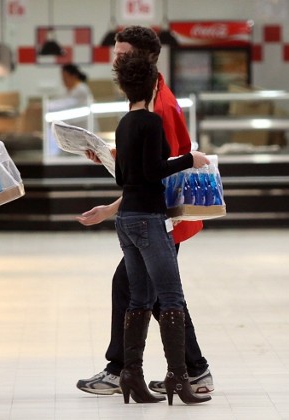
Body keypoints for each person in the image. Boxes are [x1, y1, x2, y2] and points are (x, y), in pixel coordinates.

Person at [76, 26, 213, 396]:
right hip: (148, 214)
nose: (115, 62)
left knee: (146, 293)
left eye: (122, 55)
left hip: (163, 218)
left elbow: (164, 171)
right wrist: (112, 160)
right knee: (151, 295)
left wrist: (119, 205)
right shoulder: (144, 105)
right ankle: (171, 370)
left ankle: (133, 370)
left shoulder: (162, 107)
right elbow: (144, 167)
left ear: (145, 59)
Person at [111, 49, 211, 405]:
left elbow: (123, 176)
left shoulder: (123, 124)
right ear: (154, 84)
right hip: (151, 220)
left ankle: (131, 375)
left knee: (138, 297)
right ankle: (178, 379)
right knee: (171, 297)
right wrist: (189, 159)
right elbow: (154, 171)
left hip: (125, 221)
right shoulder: (152, 122)